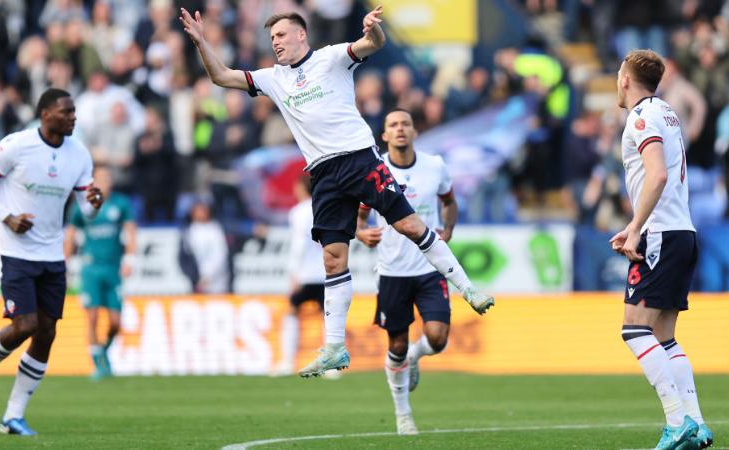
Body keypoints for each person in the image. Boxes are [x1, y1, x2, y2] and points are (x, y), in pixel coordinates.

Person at [179, 6, 494, 378]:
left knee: (409, 225)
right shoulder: (272, 78)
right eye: (271, 38)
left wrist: (372, 30)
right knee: (332, 259)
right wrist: (201, 41)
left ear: (300, 34)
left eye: (280, 35)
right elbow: (220, 76)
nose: (275, 43)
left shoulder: (331, 58)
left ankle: (468, 289)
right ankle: (334, 348)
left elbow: (371, 44)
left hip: (359, 159)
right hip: (323, 173)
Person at [0, 88, 103, 436]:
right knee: (24, 325)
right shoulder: (18, 145)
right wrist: (7, 216)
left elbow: (85, 210)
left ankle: (13, 416)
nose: (73, 117)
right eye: (67, 112)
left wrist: (94, 202)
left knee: (47, 333)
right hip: (15, 252)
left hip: (52, 254)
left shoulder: (79, 155)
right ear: (46, 114)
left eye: (74, 112)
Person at [609, 50, 711, 450]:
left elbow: (658, 173)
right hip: (681, 230)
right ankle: (697, 425)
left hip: (660, 234)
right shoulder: (666, 111)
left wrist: (636, 228)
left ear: (625, 80)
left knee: (633, 329)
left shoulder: (641, 117)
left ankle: (676, 421)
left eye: (619, 74)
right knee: (664, 336)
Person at [356, 109, 457, 435]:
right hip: (392, 270)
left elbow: (449, 200)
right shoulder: (376, 169)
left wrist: (448, 228)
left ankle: (416, 355)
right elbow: (359, 212)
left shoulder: (434, 166)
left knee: (438, 338)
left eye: (405, 124)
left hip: (430, 265)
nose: (400, 129)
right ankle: (403, 415)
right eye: (393, 125)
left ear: (415, 131)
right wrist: (360, 231)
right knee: (395, 345)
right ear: (384, 136)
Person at [64, 164, 136, 380]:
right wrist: (65, 265)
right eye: (101, 178)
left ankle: (103, 350)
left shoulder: (121, 205)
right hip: (90, 267)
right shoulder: (82, 206)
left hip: (113, 267)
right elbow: (71, 236)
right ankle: (98, 364)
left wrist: (131, 258)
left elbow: (131, 231)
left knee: (115, 320)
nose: (106, 182)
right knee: (92, 316)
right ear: (94, 182)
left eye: (108, 178)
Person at [272, 174, 326, 376]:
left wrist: (293, 272)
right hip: (326, 272)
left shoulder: (298, 212)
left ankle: (287, 361)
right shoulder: (324, 207)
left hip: (305, 274)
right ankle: (331, 366)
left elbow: (299, 244)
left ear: (302, 189)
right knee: (327, 317)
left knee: (292, 312)